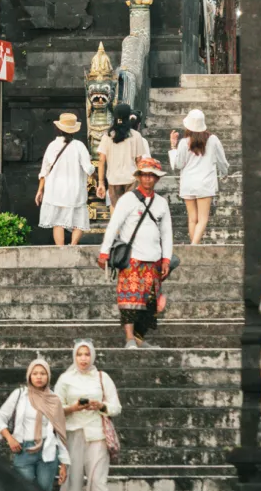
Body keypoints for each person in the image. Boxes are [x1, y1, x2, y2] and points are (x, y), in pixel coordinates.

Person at [98, 155, 173, 348]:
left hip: (154, 258)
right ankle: (129, 338)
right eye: (145, 175)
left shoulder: (161, 203)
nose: (148, 179)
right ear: (139, 176)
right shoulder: (127, 200)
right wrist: (104, 252)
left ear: (157, 179)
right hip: (132, 259)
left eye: (152, 176)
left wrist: (166, 258)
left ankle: (139, 338)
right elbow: (113, 226)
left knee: (149, 304)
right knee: (129, 301)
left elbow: (167, 233)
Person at [56, 339, 121, 491]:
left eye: (86, 354)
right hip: (73, 433)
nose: (83, 358)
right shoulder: (65, 379)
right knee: (71, 482)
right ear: (74, 356)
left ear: (92, 355)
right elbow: (55, 408)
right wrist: (74, 408)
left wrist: (100, 406)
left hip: (97, 435)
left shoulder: (103, 377)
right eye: (79, 354)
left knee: (98, 482)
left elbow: (116, 407)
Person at [0, 357, 70, 491]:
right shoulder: (20, 394)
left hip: (48, 452)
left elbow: (60, 432)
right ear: (29, 376)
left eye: (43, 373)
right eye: (35, 374)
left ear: (48, 376)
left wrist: (64, 464)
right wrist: (10, 438)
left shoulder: (54, 400)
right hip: (24, 450)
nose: (39, 377)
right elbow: (0, 418)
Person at [168, 107, 230, 245]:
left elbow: (178, 164)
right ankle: (194, 246)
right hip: (205, 183)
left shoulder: (184, 142)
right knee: (202, 219)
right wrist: (224, 174)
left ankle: (193, 247)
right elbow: (222, 161)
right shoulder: (212, 140)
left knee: (192, 219)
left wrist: (173, 146)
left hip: (188, 184)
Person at [36, 112, 94, 246]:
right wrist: (99, 179)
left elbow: (44, 171)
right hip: (75, 190)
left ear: (58, 129)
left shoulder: (52, 146)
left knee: (57, 222)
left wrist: (40, 191)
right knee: (79, 220)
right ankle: (73, 246)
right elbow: (89, 168)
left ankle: (60, 249)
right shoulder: (79, 146)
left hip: (55, 190)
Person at [96, 102, 150, 209]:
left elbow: (101, 160)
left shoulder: (107, 136)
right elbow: (139, 160)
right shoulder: (136, 136)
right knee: (131, 212)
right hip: (131, 180)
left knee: (117, 213)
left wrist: (101, 183)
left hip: (113, 180)